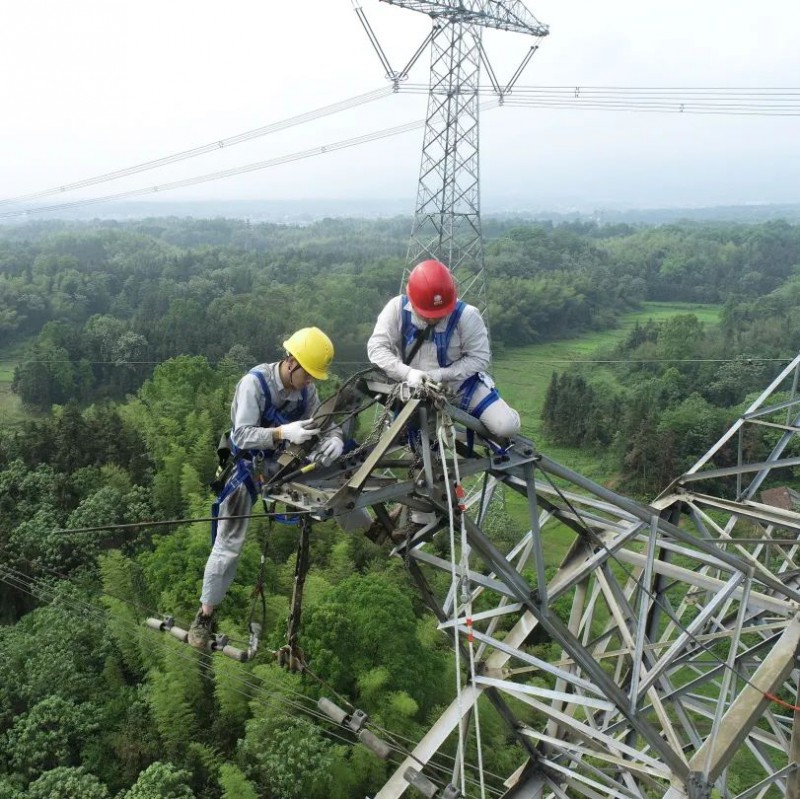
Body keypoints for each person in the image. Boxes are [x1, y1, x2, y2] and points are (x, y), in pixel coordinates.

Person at [188, 327, 344, 650]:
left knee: (340, 474)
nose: (311, 382)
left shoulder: (305, 391)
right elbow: (241, 435)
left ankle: (375, 524)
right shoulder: (254, 384)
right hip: (248, 465)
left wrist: (335, 440)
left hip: (282, 463)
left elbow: (323, 420)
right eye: (309, 375)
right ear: (292, 362)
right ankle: (204, 615)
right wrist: (282, 431)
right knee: (228, 543)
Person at [367, 258, 521, 440]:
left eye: (440, 315)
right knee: (416, 443)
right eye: (427, 315)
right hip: (413, 389)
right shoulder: (396, 309)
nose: (433, 320)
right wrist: (408, 373)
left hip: (460, 387)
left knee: (506, 428)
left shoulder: (467, 316)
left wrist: (442, 374)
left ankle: (506, 416)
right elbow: (376, 348)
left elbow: (479, 359)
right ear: (413, 302)